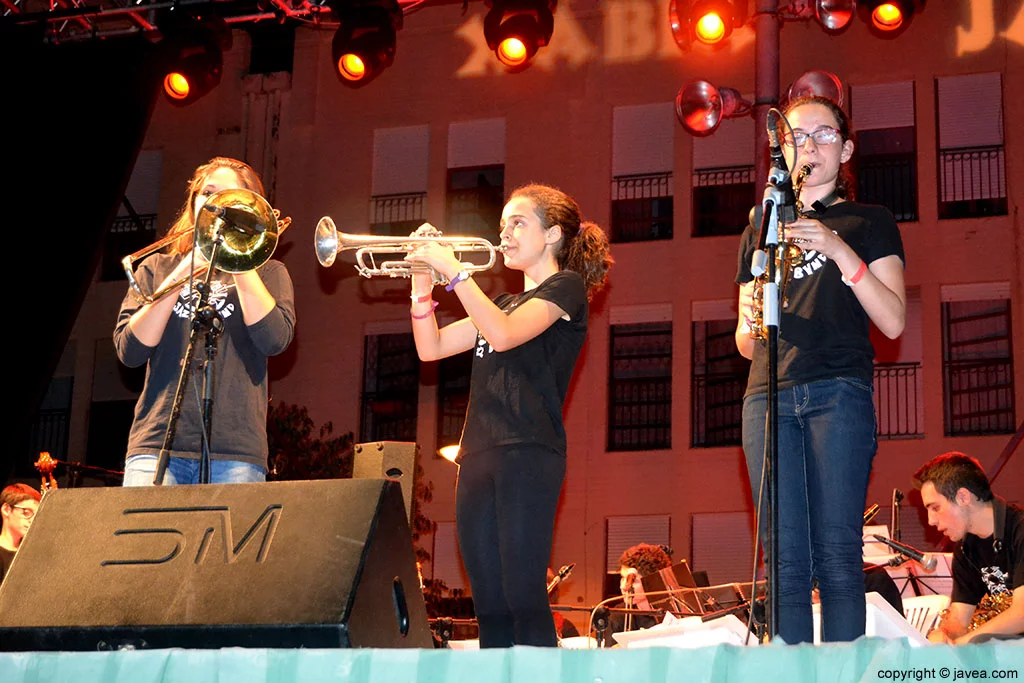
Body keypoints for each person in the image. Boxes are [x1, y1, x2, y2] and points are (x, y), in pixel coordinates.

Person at [405, 183, 612, 648]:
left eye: (518, 223)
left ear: (553, 234)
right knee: (490, 604)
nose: (505, 235)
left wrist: (456, 274)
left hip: (529, 451)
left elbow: (503, 336)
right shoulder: (495, 303)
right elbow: (431, 347)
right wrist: (422, 284)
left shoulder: (566, 289)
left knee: (522, 595)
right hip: (477, 454)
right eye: (502, 226)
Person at [734, 95, 907, 643]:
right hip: (768, 394)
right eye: (797, 136)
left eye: (823, 134)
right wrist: (753, 317)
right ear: (782, 151)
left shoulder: (869, 221)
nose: (809, 144)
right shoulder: (760, 227)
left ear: (846, 147)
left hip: (837, 391)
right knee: (784, 564)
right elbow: (744, 342)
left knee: (836, 556)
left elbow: (895, 320)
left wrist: (837, 248)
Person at [114, 157, 295, 486]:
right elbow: (131, 351)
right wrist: (187, 267)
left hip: (236, 452)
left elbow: (275, 340)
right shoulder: (156, 268)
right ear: (193, 202)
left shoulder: (270, 273)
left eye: (228, 197)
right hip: (156, 445)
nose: (216, 204)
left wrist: (241, 255)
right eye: (207, 193)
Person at [912, 451, 1023, 643]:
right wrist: (944, 635)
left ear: (963, 497)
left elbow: (1021, 614)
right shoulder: (965, 550)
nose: (930, 521)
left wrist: (964, 642)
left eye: (935, 507)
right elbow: (958, 621)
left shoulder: (1020, 530)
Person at [0, 484, 41, 584]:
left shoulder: (31, 553)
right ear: (6, 510)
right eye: (27, 512)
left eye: (36, 515)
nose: (32, 520)